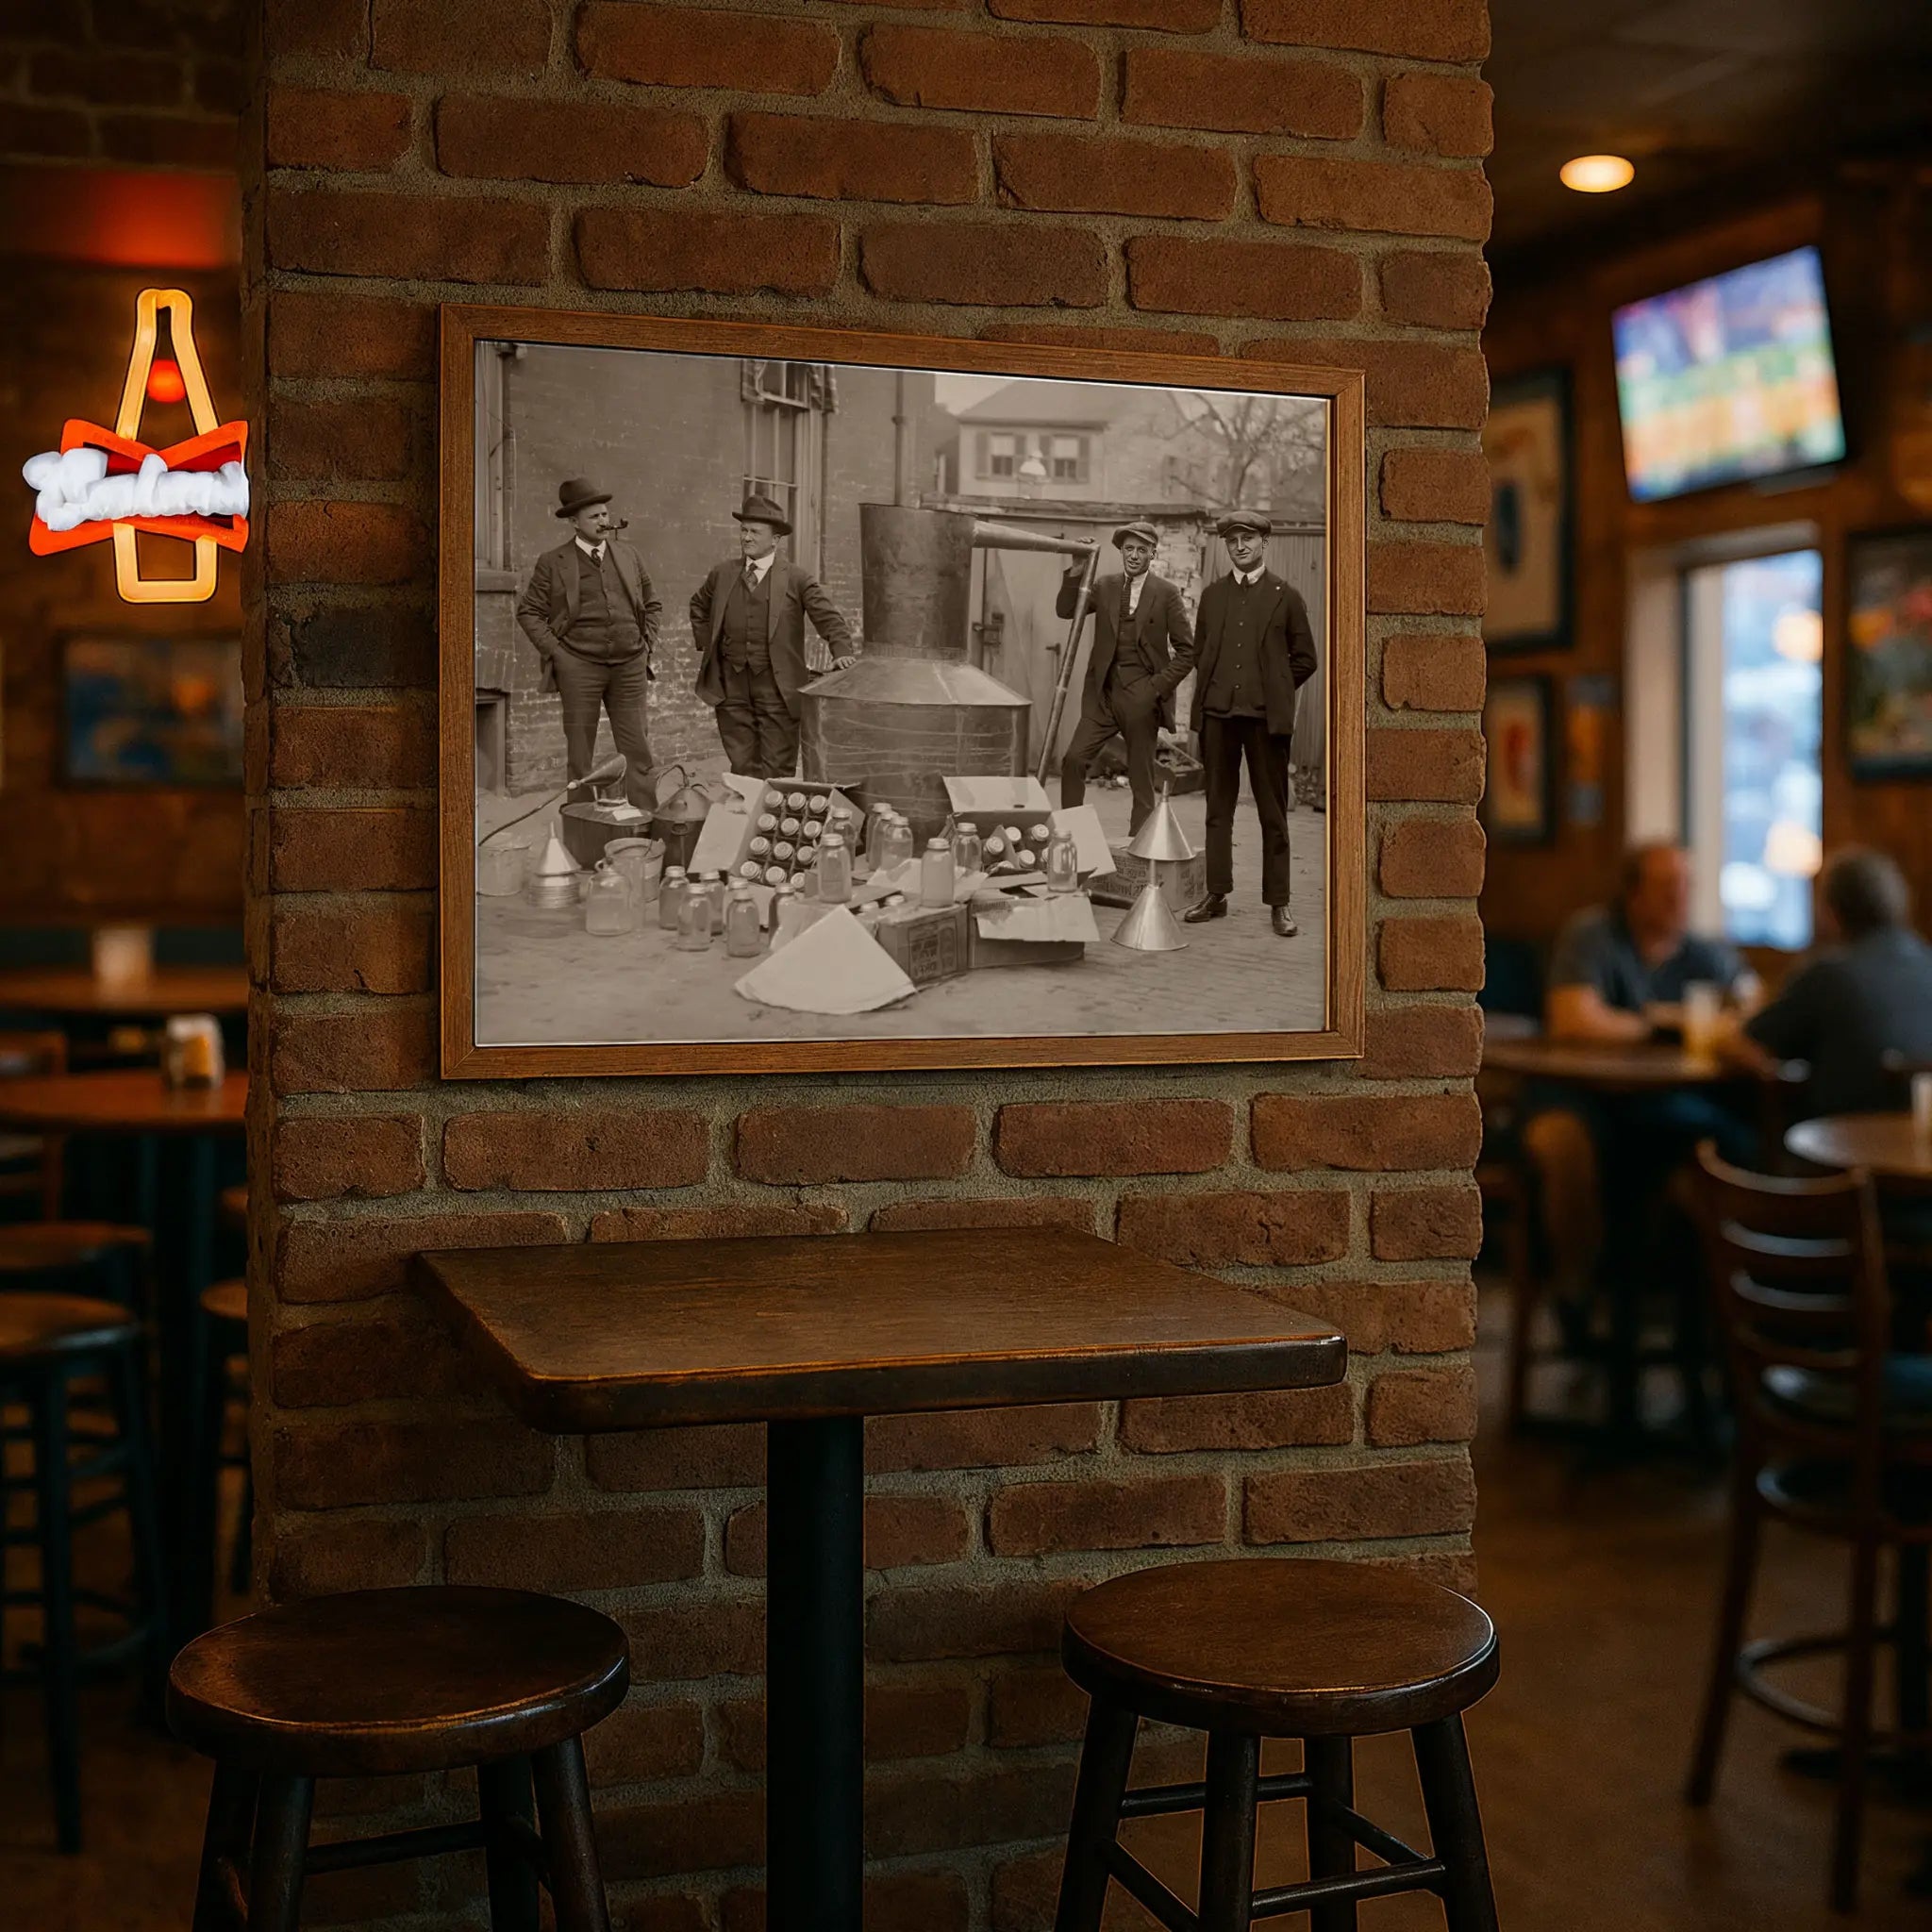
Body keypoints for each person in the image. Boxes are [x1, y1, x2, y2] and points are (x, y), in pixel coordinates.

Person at [1524, 843, 1759, 1324]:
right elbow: (1573, 1017)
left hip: (1659, 1103)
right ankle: (1579, 1291)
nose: (1680, 897)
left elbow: (1751, 1005)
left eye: (1686, 885)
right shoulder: (1594, 934)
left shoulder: (1701, 952)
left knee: (1724, 1145)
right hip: (1578, 1093)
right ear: (1633, 893)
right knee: (1564, 1146)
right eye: (1667, 886)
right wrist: (1660, 1026)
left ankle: (1714, 1311)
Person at [1183, 509, 1318, 938]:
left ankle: (1279, 903)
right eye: (1233, 541)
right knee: (1217, 811)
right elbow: (1203, 653)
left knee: (1272, 814)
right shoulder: (1212, 596)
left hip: (1264, 721)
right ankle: (1216, 894)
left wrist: (1275, 687)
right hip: (1218, 717)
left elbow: (1306, 660)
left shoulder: (1286, 596)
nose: (1240, 547)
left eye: (1248, 539)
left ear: (1264, 543)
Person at [1725, 848, 1932, 1116]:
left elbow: (1750, 1044)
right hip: (1914, 1145)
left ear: (1830, 912)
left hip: (1836, 1142)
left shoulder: (1830, 975)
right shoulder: (1925, 961)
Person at [515, 477, 661, 814]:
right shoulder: (554, 561)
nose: (603, 521)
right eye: (594, 516)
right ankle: (581, 827)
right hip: (579, 668)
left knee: (638, 750)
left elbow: (653, 603)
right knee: (581, 755)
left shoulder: (628, 555)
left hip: (629, 666)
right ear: (574, 522)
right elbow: (529, 612)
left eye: (604, 514)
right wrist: (560, 655)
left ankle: (646, 821)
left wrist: (645, 643)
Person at [691, 492, 858, 779]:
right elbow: (698, 606)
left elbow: (828, 617)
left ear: (775, 539)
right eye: (743, 530)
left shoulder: (796, 578)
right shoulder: (722, 574)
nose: (746, 538)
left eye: (755, 531)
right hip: (731, 685)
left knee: (777, 767)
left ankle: (772, 822)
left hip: (777, 686)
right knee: (742, 765)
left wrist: (841, 651)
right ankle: (745, 818)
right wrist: (713, 645)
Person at [1056, 521, 1195, 837]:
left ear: (1152, 554)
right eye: (1129, 549)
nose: (1134, 555)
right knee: (1074, 760)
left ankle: (1139, 852)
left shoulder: (1167, 593)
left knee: (1141, 779)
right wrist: (1077, 569)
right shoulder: (1104, 586)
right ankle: (1072, 838)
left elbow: (1188, 652)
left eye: (1141, 550)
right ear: (1122, 551)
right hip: (1103, 696)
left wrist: (1154, 689)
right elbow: (1066, 610)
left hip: (1142, 697)